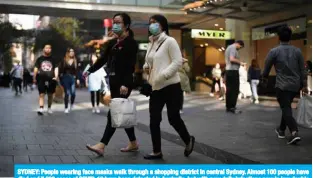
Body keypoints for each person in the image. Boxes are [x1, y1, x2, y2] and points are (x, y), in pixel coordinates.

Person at [85, 13, 139, 155]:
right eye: (114, 22)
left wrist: (126, 84)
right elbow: (103, 59)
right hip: (114, 81)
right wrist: (90, 70)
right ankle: (133, 143)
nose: (115, 25)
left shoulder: (131, 43)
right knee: (121, 111)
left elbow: (130, 66)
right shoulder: (113, 43)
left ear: (126, 25)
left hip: (124, 83)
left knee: (114, 112)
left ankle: (102, 145)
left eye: (118, 22)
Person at [143, 14, 195, 160]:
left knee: (173, 118)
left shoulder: (170, 41)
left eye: (155, 22)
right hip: (155, 87)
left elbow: (177, 61)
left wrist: (163, 75)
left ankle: (188, 140)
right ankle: (156, 151)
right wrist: (146, 66)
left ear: (163, 25)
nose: (151, 25)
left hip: (171, 86)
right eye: (150, 22)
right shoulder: (151, 42)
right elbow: (150, 61)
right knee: (154, 120)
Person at [262, 26, 307, 145]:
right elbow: (303, 69)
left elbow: (267, 66)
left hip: (282, 85)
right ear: (290, 37)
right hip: (295, 85)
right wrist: (304, 84)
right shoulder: (297, 51)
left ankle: (294, 132)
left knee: (286, 108)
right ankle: (281, 130)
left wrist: (265, 77)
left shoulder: (274, 51)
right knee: (286, 105)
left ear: (278, 37)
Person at [33, 44, 59, 115]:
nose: (48, 49)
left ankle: (49, 108)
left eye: (49, 48)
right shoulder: (39, 59)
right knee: (41, 94)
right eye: (46, 48)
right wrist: (34, 77)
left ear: (51, 50)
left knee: (50, 95)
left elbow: (56, 68)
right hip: (41, 78)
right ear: (43, 49)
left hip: (51, 79)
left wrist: (56, 76)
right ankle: (41, 108)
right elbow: (36, 68)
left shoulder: (53, 59)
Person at [224, 40, 245, 114]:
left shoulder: (228, 47)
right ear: (238, 44)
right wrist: (241, 63)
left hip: (229, 71)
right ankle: (232, 107)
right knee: (234, 89)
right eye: (240, 47)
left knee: (229, 90)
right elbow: (232, 59)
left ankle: (228, 107)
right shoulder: (233, 48)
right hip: (233, 71)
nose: (239, 48)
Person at [59, 48, 80, 113]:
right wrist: (60, 78)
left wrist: (77, 79)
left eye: (73, 51)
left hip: (73, 78)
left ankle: (72, 104)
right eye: (70, 51)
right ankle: (66, 107)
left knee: (73, 93)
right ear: (68, 53)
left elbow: (77, 71)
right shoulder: (64, 60)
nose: (72, 52)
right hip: (65, 78)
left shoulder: (75, 60)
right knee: (67, 93)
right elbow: (60, 69)